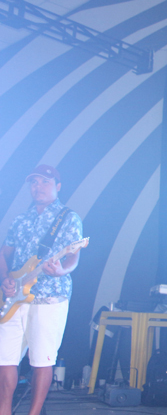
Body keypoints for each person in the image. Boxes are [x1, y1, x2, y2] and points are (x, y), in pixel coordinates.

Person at [0, 165, 83, 415]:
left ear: (58, 186)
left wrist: (61, 270)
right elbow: (4, 253)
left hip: (50, 297)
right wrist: (6, 279)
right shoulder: (20, 220)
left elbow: (73, 258)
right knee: (4, 358)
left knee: (42, 360)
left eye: (45, 182)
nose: (38, 187)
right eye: (34, 182)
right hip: (15, 299)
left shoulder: (68, 218)